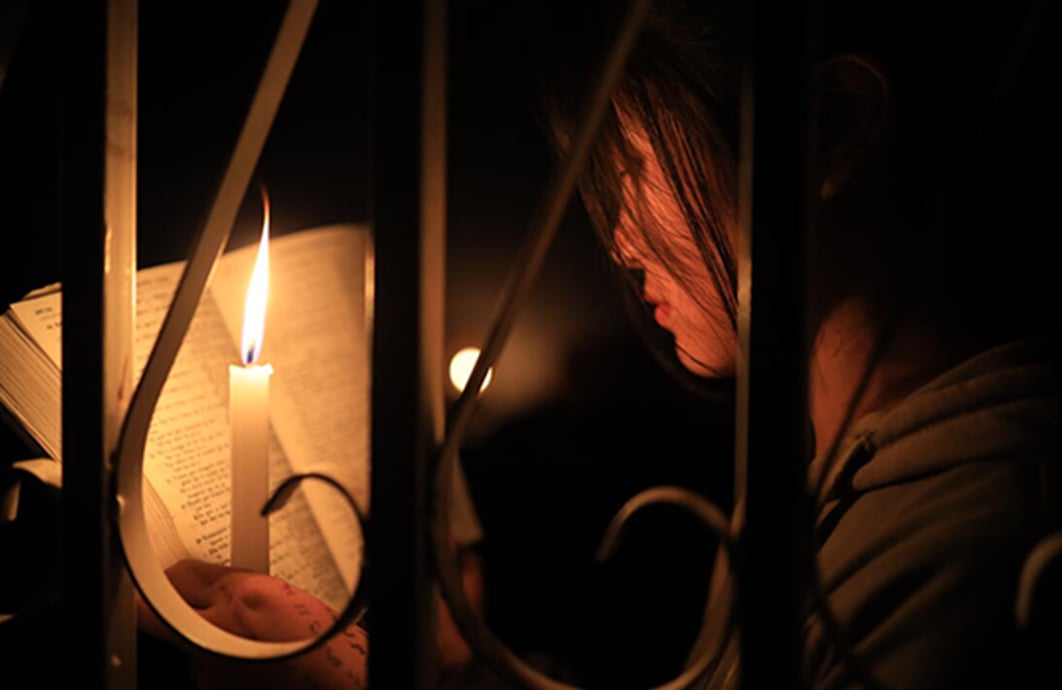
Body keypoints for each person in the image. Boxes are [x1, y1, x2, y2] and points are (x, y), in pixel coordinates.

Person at [138, 0, 1062, 688]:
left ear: (827, 131)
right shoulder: (818, 480)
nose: (617, 239)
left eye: (627, 171)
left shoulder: (980, 538)